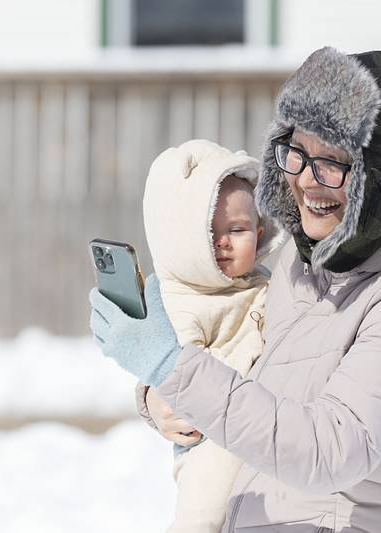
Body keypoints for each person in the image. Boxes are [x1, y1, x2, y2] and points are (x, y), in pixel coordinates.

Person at [90, 47, 381, 532]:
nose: (307, 179)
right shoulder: (306, 263)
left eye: (333, 162)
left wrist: (170, 365)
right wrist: (164, 398)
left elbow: (328, 451)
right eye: (298, 152)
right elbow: (239, 374)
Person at [90, 139, 284, 533]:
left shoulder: (268, 286)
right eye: (209, 233)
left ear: (260, 232)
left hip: (267, 437)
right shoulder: (177, 297)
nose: (225, 242)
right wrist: (153, 394)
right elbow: (171, 369)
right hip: (212, 444)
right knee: (204, 515)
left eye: (238, 229)